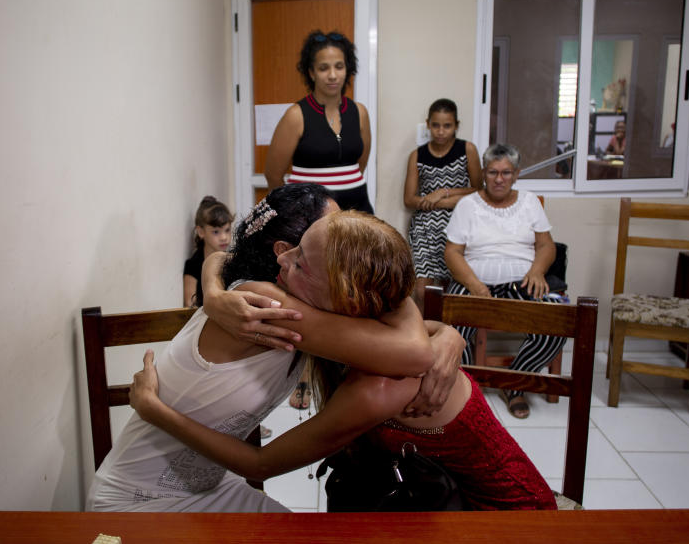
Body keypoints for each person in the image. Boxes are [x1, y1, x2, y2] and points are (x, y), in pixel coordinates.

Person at [130, 210, 556, 511]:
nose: (283, 259)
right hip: (439, 501)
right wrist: (216, 291)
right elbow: (221, 258)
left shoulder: (380, 384)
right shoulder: (381, 310)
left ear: (345, 298)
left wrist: (155, 410)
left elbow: (258, 464)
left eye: (300, 262)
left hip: (503, 518)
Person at [87, 184, 458, 513]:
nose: (345, 232)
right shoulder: (267, 303)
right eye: (331, 229)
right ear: (286, 248)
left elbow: (219, 257)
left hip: (213, 486)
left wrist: (448, 335)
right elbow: (414, 353)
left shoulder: (291, 296)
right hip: (137, 500)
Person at [443, 143, 567, 420]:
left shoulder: (530, 202)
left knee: (557, 323)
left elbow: (547, 246)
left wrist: (537, 271)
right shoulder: (467, 205)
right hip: (475, 281)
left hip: (522, 280)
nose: (499, 179)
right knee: (452, 331)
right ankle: (464, 391)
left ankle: (514, 384)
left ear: (516, 174)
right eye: (493, 172)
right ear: (484, 174)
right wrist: (475, 286)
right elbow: (452, 252)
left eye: (506, 173)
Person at [265, 30, 373, 213]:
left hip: (358, 213)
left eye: (339, 66)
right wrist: (294, 212)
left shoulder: (359, 112)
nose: (332, 75)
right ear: (311, 73)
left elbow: (359, 165)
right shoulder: (296, 115)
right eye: (324, 68)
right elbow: (273, 175)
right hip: (310, 217)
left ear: (348, 69)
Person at [403, 98, 482, 306]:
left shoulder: (467, 150)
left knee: (452, 291)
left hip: (458, 225)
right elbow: (409, 199)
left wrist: (444, 193)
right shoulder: (417, 155)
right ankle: (424, 336)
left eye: (447, 126)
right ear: (428, 124)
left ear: (456, 125)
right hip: (425, 228)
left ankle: (451, 334)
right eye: (436, 125)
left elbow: (480, 191)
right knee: (422, 292)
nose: (440, 131)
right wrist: (440, 201)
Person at [183, 196, 233, 307]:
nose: (224, 237)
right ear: (201, 232)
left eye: (227, 230)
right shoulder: (194, 264)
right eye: (216, 232)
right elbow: (189, 303)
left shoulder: (231, 259)